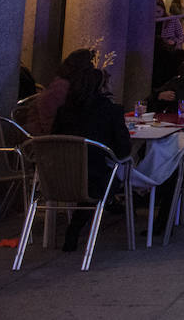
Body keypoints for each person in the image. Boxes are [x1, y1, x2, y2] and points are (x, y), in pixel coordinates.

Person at [50, 66, 129, 252]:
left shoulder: (63, 111)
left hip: (57, 178)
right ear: (102, 87)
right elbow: (123, 150)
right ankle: (122, 208)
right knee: (116, 172)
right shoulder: (110, 111)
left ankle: (77, 227)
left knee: (88, 168)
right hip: (94, 180)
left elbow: (54, 141)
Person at [29, 48, 95, 136]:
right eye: (91, 65)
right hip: (44, 140)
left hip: (62, 136)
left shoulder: (73, 85)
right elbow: (50, 124)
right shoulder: (61, 87)